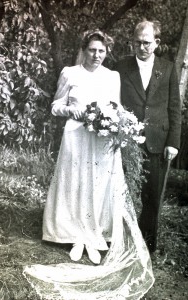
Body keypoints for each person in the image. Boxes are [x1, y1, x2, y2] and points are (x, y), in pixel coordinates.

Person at [23, 29, 155, 300]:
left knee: (98, 183)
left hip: (101, 140)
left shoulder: (112, 76)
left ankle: (94, 235)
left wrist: (112, 121)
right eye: (93, 50)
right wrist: (71, 110)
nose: (97, 55)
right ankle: (74, 234)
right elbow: (55, 106)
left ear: (108, 53)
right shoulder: (70, 73)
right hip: (75, 136)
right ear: (84, 50)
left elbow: (116, 108)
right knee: (75, 181)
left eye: (102, 51)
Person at [114, 20, 182, 253]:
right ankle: (120, 241)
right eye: (137, 42)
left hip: (158, 142)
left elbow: (174, 107)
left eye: (146, 43)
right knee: (122, 192)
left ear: (157, 43)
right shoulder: (121, 67)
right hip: (127, 142)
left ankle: (146, 246)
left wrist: (173, 142)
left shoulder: (169, 68)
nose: (141, 47)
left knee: (152, 196)